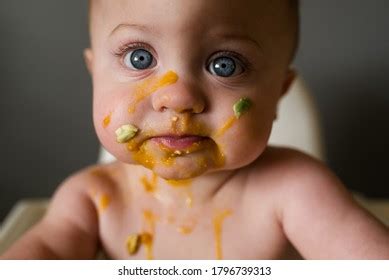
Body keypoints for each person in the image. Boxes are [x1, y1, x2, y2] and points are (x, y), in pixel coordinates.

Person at [1, 0, 389, 260]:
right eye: (140, 57)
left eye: (226, 65)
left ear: (278, 95)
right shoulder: (93, 200)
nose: (178, 97)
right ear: (94, 74)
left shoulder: (296, 192)